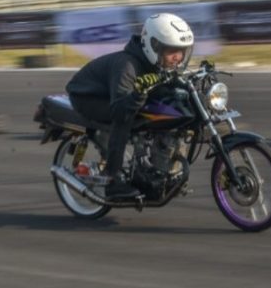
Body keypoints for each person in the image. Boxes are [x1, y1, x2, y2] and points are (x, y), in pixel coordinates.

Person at [66, 13, 194, 200]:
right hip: (88, 96)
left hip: (114, 94)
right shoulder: (127, 66)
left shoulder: (157, 64)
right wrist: (138, 95)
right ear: (154, 46)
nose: (178, 57)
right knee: (126, 117)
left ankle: (156, 167)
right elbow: (120, 108)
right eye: (171, 51)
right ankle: (112, 180)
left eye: (181, 51)